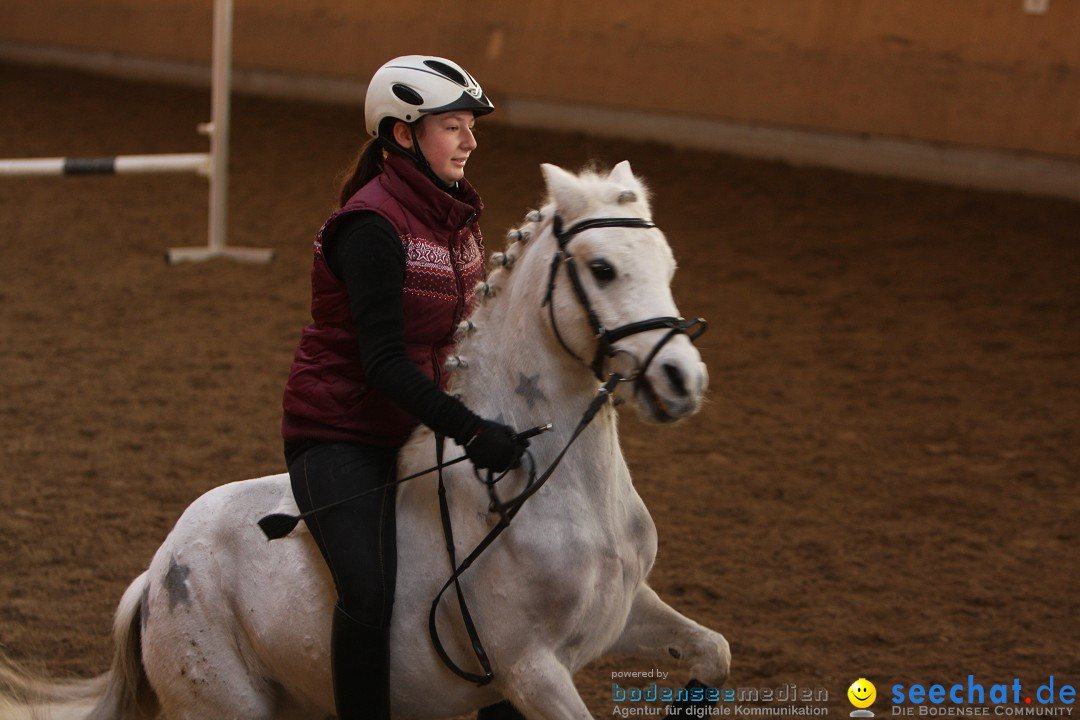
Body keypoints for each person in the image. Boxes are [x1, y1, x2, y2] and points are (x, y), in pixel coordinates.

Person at [281, 55, 528, 720]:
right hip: (343, 431)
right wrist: (472, 429)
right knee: (367, 591)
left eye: (471, 125)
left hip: (423, 425)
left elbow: (467, 337)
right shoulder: (371, 229)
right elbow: (384, 363)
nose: (471, 140)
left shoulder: (457, 220)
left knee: (497, 569)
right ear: (401, 136)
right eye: (453, 126)